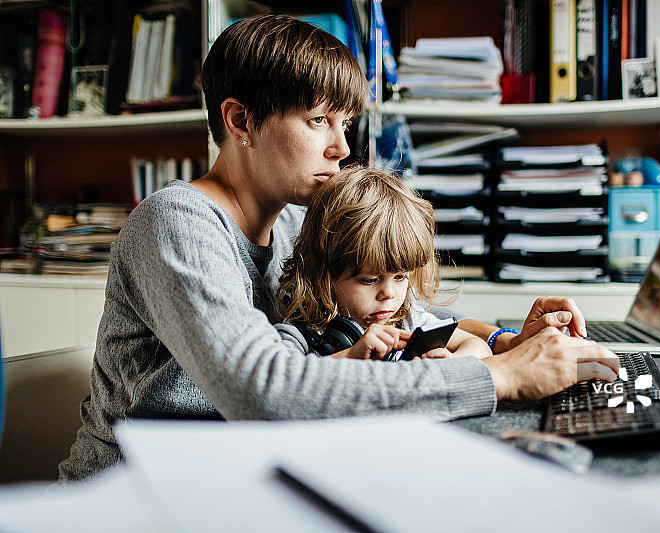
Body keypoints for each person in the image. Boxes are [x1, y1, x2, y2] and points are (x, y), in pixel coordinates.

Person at [58, 14, 619, 481]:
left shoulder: (297, 220)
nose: (342, 148)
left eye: (345, 123)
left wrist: (505, 341)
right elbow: (263, 391)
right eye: (318, 120)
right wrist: (502, 377)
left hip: (248, 476)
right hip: (138, 497)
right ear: (240, 120)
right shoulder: (178, 222)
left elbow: (403, 314)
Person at [275, 165, 492, 360]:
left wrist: (451, 362)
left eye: (400, 277)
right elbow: (284, 381)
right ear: (322, 273)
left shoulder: (408, 321)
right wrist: (350, 355)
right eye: (369, 280)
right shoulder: (299, 334)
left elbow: (478, 345)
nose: (388, 294)